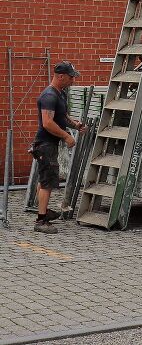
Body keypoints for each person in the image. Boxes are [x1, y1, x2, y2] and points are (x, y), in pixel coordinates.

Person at [30, 61, 84, 234]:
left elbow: (62, 116)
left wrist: (75, 125)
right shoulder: (49, 96)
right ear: (60, 76)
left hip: (50, 144)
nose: (73, 81)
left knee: (44, 179)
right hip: (45, 144)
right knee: (47, 182)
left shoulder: (60, 94)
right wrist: (66, 135)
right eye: (70, 77)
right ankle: (41, 221)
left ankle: (43, 211)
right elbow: (47, 123)